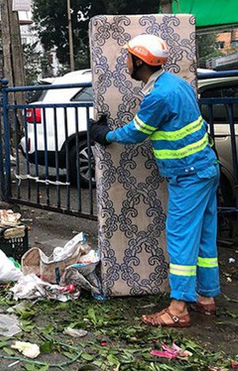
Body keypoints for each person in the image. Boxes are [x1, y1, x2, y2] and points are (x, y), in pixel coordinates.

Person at [89, 34, 220, 328]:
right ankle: (207, 298)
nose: (125, 62)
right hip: (204, 169)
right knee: (203, 235)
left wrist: (104, 135)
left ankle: (178, 309)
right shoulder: (177, 84)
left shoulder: (159, 95)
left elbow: (137, 132)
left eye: (128, 57)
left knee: (181, 238)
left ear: (139, 61)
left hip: (188, 175)